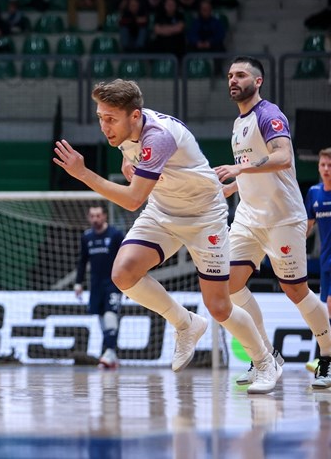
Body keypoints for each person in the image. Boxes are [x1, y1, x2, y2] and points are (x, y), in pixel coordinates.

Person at [53, 78, 279, 394]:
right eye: (100, 117)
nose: (104, 126)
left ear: (134, 115)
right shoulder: (125, 130)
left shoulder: (156, 137)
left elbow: (132, 200)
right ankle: (185, 323)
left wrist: (83, 174)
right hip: (164, 211)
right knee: (123, 273)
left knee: (218, 306)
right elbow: (131, 155)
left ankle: (266, 362)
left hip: (204, 217)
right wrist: (129, 162)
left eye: (110, 118)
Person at [215, 56, 331, 390]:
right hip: (249, 217)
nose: (233, 80)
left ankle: (327, 353)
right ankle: (266, 357)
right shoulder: (238, 124)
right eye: (229, 76)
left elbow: (282, 157)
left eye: (240, 75)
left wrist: (239, 171)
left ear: (258, 81)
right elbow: (253, 166)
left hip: (283, 218)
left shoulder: (269, 114)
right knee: (228, 285)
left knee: (295, 291)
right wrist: (233, 185)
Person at [74, 205, 125, 369]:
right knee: (102, 319)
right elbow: (83, 261)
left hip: (113, 283)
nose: (95, 219)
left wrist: (130, 281)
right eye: (92, 216)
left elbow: (125, 258)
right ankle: (112, 356)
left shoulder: (115, 235)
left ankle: (109, 352)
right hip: (95, 284)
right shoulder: (87, 237)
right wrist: (78, 283)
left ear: (104, 216)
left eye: (98, 215)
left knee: (111, 316)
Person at [304, 147, 331, 375]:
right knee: (326, 309)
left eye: (330, 166)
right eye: (323, 165)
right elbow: (307, 227)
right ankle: (325, 357)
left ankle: (326, 358)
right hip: (325, 262)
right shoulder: (314, 193)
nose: (326, 169)